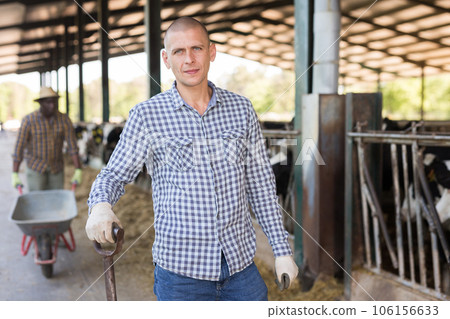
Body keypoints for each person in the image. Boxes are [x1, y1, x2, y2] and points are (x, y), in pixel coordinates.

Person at [85, 17, 298, 301]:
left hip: (241, 270)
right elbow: (113, 175)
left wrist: (281, 250)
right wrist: (100, 206)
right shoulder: (147, 116)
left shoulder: (241, 109)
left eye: (197, 48)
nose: (189, 59)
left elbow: (261, 186)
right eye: (179, 51)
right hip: (181, 276)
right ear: (166, 58)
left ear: (211, 52)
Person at [12, 87, 82, 191]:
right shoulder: (29, 121)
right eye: (48, 102)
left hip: (56, 169)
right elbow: (19, 147)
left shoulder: (64, 120)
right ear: (41, 103)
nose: (52, 105)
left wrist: (78, 169)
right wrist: (15, 173)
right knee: (37, 201)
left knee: (56, 200)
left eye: (54, 102)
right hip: (35, 168)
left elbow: (72, 146)